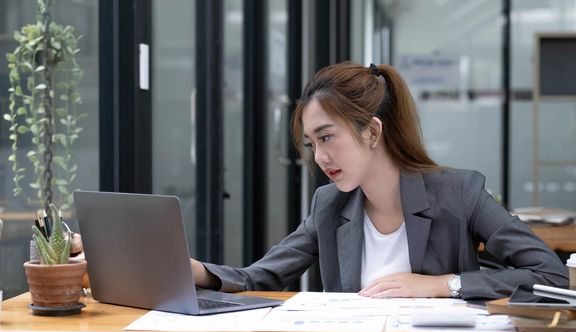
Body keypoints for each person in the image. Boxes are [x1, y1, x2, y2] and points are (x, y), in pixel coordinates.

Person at [191, 62, 568, 300]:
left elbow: (549, 273)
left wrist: (441, 285)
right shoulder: (330, 205)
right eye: (311, 143)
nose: (320, 157)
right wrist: (198, 273)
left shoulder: (459, 192)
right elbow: (261, 277)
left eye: (326, 137)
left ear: (372, 131)